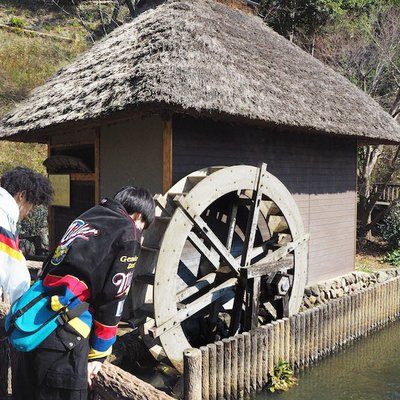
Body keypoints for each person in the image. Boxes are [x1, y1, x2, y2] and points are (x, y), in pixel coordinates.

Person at [13, 186, 155, 400]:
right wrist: (99, 353)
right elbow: (114, 298)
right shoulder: (129, 231)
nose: (141, 232)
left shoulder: (86, 217)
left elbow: (51, 264)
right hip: (65, 338)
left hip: (34, 325)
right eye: (144, 226)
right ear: (138, 215)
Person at [0, 167, 53, 304]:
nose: (30, 211)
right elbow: (12, 276)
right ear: (21, 195)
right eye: (32, 204)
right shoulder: (3, 221)